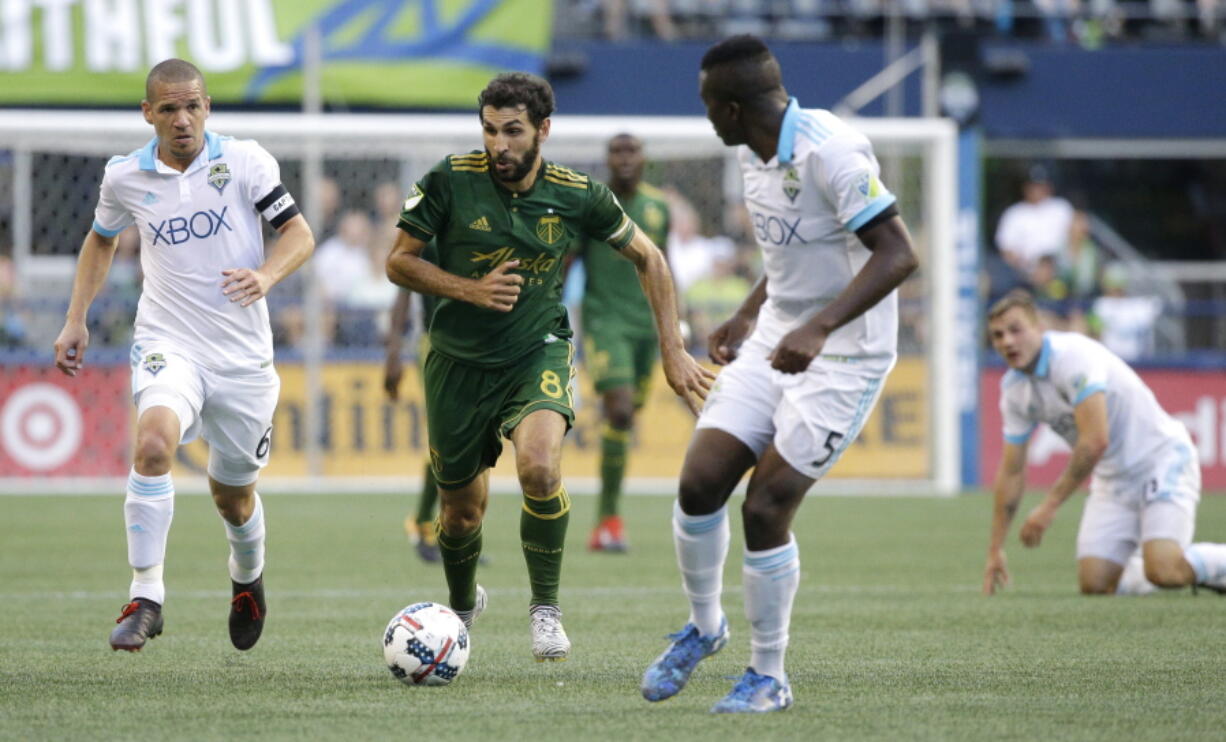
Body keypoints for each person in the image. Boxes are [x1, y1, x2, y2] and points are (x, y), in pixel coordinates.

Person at [385, 72, 712, 662]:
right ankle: (460, 609)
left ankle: (545, 609)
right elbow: (399, 264)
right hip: (457, 363)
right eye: (489, 130)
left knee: (538, 466)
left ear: (543, 130)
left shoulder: (576, 192)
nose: (499, 145)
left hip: (537, 351)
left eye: (513, 131)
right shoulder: (447, 180)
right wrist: (468, 288)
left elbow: (651, 257)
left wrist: (674, 349)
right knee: (460, 513)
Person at [640, 35, 919, 713]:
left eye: (709, 104)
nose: (706, 117)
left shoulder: (832, 151)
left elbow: (898, 254)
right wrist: (747, 312)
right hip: (775, 336)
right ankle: (705, 628)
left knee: (765, 506)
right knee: (700, 481)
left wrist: (820, 328)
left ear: (734, 107)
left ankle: (770, 675)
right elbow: (795, 250)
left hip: (844, 355)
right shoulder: (752, 154)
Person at [52, 59, 314, 652]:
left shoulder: (245, 160)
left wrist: (267, 275)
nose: (182, 119)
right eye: (168, 108)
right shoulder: (124, 177)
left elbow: (299, 234)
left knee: (233, 494)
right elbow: (101, 237)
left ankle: (247, 580)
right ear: (148, 113)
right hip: (169, 342)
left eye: (192, 106)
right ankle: (146, 596)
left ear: (207, 107)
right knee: (151, 446)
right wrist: (76, 318)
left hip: (243, 359)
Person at [982, 289, 1226, 597]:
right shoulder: (1014, 391)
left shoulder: (1072, 357)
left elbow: (1095, 441)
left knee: (1165, 570)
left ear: (1039, 327)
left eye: (1016, 330)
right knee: (1095, 585)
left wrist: (1049, 506)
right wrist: (995, 549)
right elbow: (1012, 470)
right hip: (1113, 480)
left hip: (1161, 460)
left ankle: (1180, 564)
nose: (1007, 342)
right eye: (998, 335)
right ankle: (1157, 562)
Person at [573, 133, 673, 553]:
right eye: (617, 151)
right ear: (607, 159)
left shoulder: (658, 207)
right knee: (617, 410)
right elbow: (566, 261)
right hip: (604, 321)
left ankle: (608, 520)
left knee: (626, 419)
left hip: (645, 328)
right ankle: (607, 520)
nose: (625, 159)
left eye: (632, 151)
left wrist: (674, 328)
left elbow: (665, 267)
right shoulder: (592, 205)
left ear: (644, 157)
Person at [384, 244, 442, 564]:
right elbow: (403, 289)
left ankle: (453, 533)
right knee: (444, 438)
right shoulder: (428, 218)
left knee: (477, 443)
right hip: (437, 343)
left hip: (484, 344)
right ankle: (421, 519)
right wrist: (393, 352)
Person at [995, 165, 1074, 278]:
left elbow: (1077, 237)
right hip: (1026, 276)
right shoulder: (1014, 213)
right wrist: (1029, 270)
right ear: (1025, 188)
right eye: (1033, 186)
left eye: (1040, 186)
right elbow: (1006, 250)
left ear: (1048, 187)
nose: (1036, 190)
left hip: (1061, 273)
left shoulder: (1061, 207)